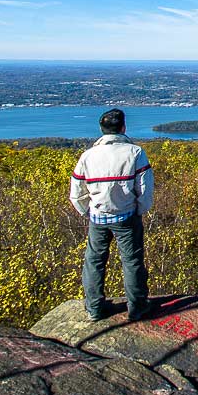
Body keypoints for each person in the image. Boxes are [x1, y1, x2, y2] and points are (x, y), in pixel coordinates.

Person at [69, 108, 154, 321]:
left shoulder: (88, 156)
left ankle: (94, 308)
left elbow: (77, 191)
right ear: (123, 127)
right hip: (126, 216)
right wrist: (139, 210)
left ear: (102, 129)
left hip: (97, 217)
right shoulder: (135, 152)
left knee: (94, 261)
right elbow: (145, 188)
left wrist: (87, 211)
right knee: (132, 261)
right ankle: (137, 307)